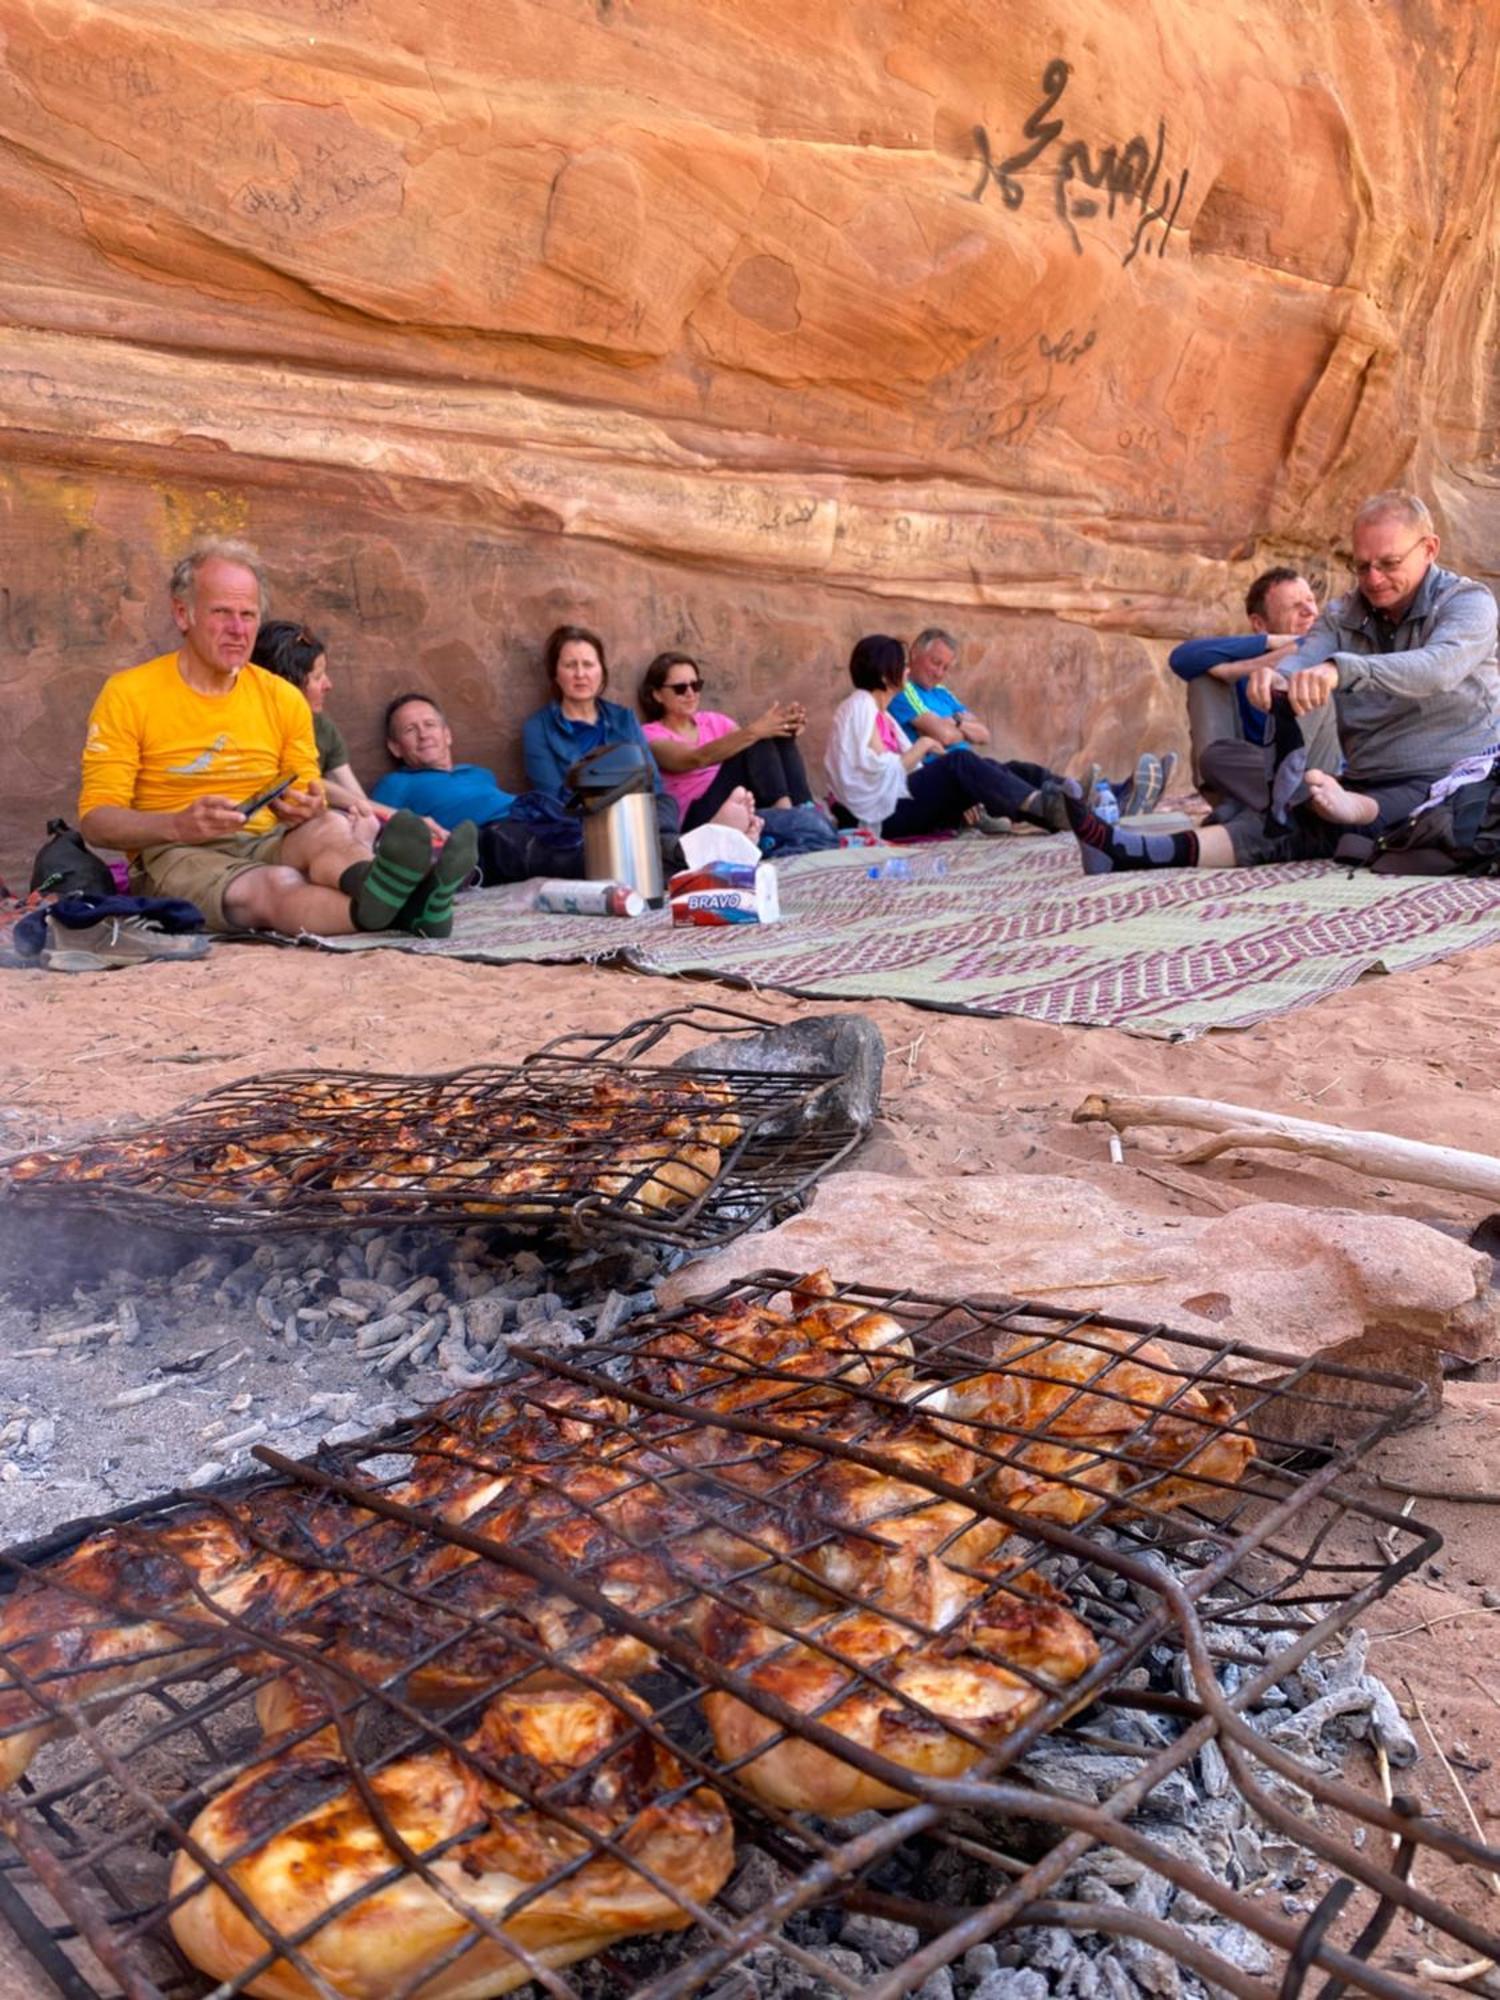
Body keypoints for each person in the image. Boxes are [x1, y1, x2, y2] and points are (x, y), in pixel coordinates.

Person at [1067, 491, 1500, 875]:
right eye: (1362, 566)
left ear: (1429, 549)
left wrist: (1340, 670)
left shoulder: (1468, 603)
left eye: (1388, 564)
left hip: (1458, 777)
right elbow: (1307, 657)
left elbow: (1437, 667)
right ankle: (1131, 851)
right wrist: (1276, 677)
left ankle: (1359, 812)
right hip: (1367, 776)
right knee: (1290, 819)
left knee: (1415, 808)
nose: (1373, 579)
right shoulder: (1343, 614)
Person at [78, 541, 475, 938]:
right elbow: (96, 821)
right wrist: (177, 826)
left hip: (268, 837)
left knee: (331, 828)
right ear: (184, 614)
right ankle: (411, 911)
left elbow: (308, 790)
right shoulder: (129, 693)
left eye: (248, 615)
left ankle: (382, 891)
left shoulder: (283, 697)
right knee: (278, 883)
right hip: (176, 854)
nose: (238, 629)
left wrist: (307, 807)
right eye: (222, 613)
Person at [891, 624, 1173, 822]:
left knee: (1021, 770)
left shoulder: (942, 694)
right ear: (915, 654)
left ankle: (1111, 795)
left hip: (963, 776)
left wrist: (952, 723)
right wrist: (956, 723)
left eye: (945, 667)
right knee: (965, 761)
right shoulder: (905, 691)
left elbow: (983, 733)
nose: (939, 672)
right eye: (934, 663)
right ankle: (1054, 808)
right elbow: (946, 736)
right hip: (938, 777)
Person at [826, 635, 1078, 838]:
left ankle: (1068, 808)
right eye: (901, 666)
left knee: (994, 767)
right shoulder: (861, 705)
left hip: (892, 802)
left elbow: (981, 734)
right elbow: (878, 773)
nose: (906, 670)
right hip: (877, 814)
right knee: (960, 762)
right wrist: (924, 745)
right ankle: (1048, 806)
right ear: (884, 675)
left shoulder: (883, 715)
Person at [1169, 568, 1339, 804]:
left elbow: (1309, 647)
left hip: (1318, 773)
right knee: (1204, 681)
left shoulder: (1329, 644)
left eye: (1311, 601)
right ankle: (1228, 807)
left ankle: (1276, 811)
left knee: (1311, 673)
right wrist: (1273, 643)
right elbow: (1181, 657)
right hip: (1252, 773)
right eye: (1295, 607)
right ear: (1259, 623)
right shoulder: (1259, 647)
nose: (1310, 611)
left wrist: (1234, 669)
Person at [638, 653, 836, 854]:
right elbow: (694, 758)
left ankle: (802, 809)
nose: (691, 693)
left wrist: (787, 726)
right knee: (752, 736)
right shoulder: (650, 734)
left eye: (696, 685)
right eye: (680, 688)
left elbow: (757, 758)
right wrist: (756, 731)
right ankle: (788, 817)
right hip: (699, 818)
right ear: (657, 694)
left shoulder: (714, 721)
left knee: (766, 736)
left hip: (739, 804)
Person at [249, 620, 384, 843]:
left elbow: (357, 798)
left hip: (321, 825)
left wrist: (394, 818)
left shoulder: (321, 726)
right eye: (318, 677)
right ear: (287, 684)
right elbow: (296, 784)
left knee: (366, 823)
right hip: (270, 835)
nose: (328, 685)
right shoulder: (252, 725)